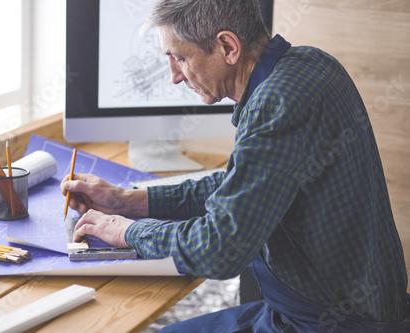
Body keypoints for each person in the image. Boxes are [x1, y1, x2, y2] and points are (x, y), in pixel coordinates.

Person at [61, 0, 410, 331]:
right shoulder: (310, 64)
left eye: (180, 58)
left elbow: (220, 249)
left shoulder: (276, 102)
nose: (175, 76)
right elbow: (241, 184)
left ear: (228, 47)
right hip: (336, 308)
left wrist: (124, 231)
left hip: (331, 323)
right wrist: (128, 201)